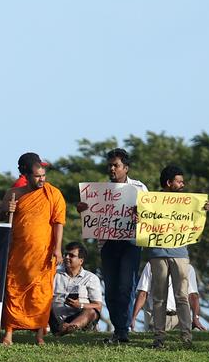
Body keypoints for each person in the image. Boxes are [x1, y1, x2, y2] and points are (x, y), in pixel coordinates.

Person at [73, 148, 147, 345]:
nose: (112, 169)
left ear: (126, 168)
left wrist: (142, 213)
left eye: (116, 165)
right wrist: (82, 209)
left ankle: (123, 330)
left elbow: (151, 215)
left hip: (130, 243)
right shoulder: (99, 192)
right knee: (112, 288)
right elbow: (91, 216)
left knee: (126, 286)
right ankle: (118, 329)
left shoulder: (139, 188)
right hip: (107, 244)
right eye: (110, 165)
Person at [0, 153, 65, 345]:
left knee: (41, 295)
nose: (42, 179)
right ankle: (8, 334)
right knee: (14, 291)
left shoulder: (53, 194)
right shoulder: (14, 194)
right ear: (25, 175)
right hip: (18, 253)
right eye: (37, 176)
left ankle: (39, 335)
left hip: (43, 253)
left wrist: (57, 249)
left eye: (43, 175)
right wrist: (6, 209)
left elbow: (58, 222)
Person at [145, 165, 195, 348]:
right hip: (159, 253)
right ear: (168, 183)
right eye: (179, 181)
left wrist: (201, 209)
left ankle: (186, 336)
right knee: (159, 297)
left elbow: (195, 218)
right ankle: (159, 337)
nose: (183, 184)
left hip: (179, 253)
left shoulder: (188, 202)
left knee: (182, 295)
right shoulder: (151, 201)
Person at [50, 242, 103, 335]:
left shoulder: (91, 278)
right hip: (56, 319)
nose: (66, 257)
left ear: (81, 261)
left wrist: (80, 305)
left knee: (91, 311)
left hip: (80, 318)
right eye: (65, 254)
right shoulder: (54, 274)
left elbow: (98, 306)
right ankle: (63, 329)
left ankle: (70, 328)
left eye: (71, 255)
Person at [131, 265, 200, 334]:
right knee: (157, 342)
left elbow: (193, 295)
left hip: (181, 317)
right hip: (158, 316)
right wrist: (133, 318)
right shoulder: (151, 265)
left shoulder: (188, 268)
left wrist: (196, 317)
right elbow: (143, 293)